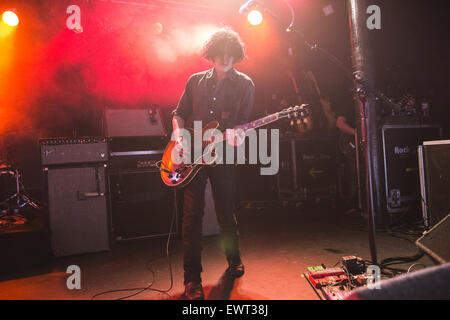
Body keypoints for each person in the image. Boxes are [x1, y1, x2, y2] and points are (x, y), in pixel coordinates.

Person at [171, 28, 255, 300]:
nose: (226, 59)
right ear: (212, 54)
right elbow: (178, 114)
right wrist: (179, 137)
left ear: (237, 55)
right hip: (192, 158)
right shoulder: (195, 81)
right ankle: (192, 280)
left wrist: (236, 136)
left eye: (231, 55)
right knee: (191, 216)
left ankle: (234, 259)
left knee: (225, 212)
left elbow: (241, 125)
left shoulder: (245, 84)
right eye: (221, 54)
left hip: (223, 156)